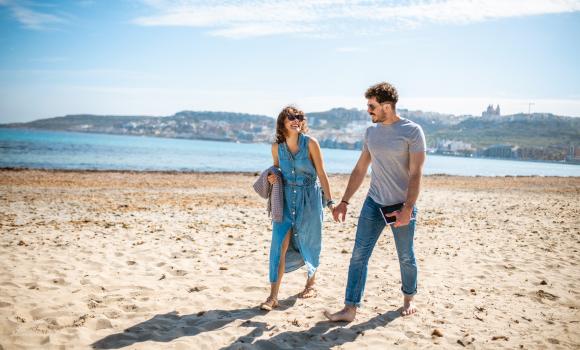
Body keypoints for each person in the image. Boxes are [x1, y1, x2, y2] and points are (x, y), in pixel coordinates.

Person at [324, 82, 426, 321]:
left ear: (387, 107)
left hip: (401, 205)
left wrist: (408, 208)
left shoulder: (412, 131)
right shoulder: (371, 132)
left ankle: (409, 298)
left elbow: (416, 173)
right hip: (374, 202)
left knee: (405, 256)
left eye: (372, 106)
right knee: (359, 254)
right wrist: (344, 202)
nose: (368, 110)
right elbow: (360, 169)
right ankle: (350, 308)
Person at [260, 106, 335, 311]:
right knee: (279, 247)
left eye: (299, 117)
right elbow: (276, 169)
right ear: (282, 122)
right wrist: (271, 176)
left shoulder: (311, 143)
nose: (296, 120)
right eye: (291, 117)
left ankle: (311, 284)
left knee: (310, 241)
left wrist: (330, 202)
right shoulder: (276, 147)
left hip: (309, 199)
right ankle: (273, 296)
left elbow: (322, 173)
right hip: (284, 201)